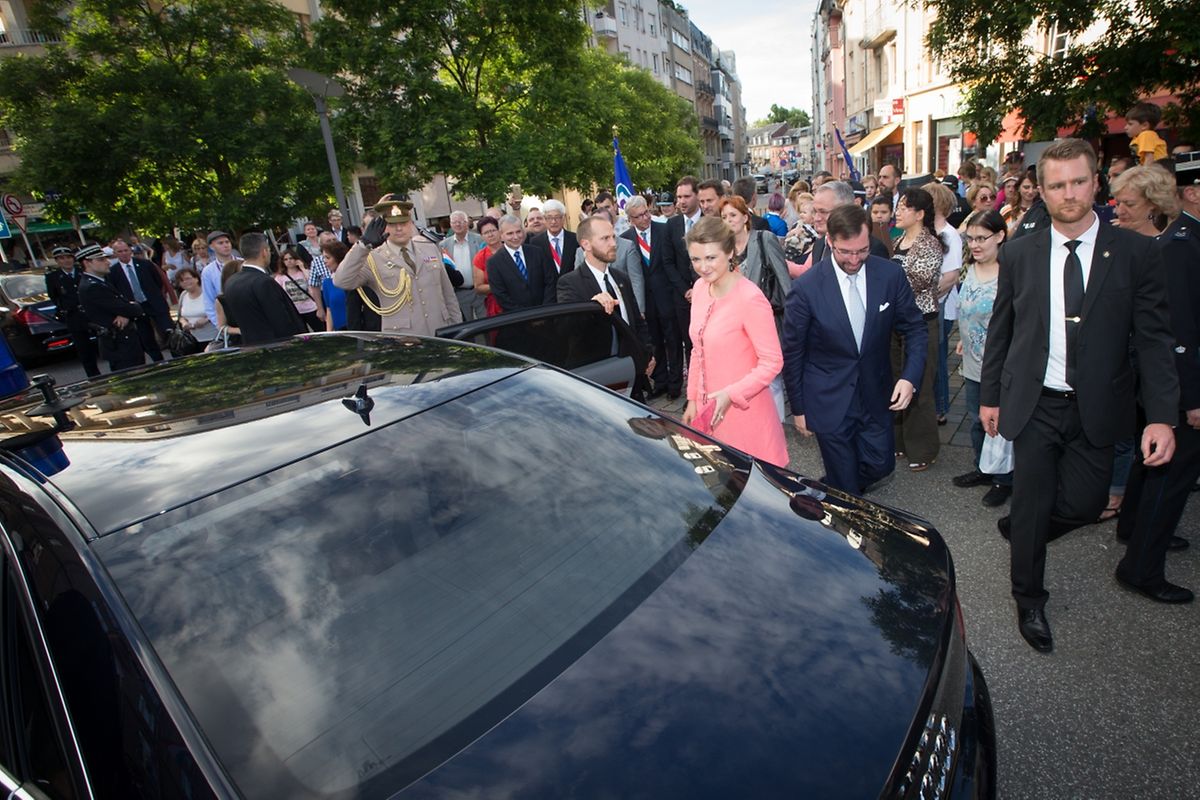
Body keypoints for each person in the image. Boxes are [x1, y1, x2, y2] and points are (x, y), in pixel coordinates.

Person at [980, 138, 1179, 652]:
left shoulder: (1136, 253)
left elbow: (1154, 339)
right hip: (1034, 401)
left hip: (1099, 404)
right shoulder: (1021, 252)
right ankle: (1029, 599)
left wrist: (1162, 416)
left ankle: (1025, 530)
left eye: (1078, 181)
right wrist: (990, 397)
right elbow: (1002, 329)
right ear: (1041, 192)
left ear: (1097, 183)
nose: (1069, 193)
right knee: (1032, 499)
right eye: (1057, 185)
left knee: (1088, 503)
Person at [782, 204, 927, 494]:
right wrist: (798, 409)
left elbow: (915, 329)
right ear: (831, 242)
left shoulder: (889, 276)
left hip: (876, 393)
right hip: (828, 398)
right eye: (845, 252)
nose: (854, 259)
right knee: (847, 484)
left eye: (861, 251)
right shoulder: (807, 288)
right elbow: (793, 351)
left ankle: (837, 491)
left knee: (881, 466)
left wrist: (910, 378)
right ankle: (846, 510)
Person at [1113, 151, 1200, 603]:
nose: (1118, 210)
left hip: (1165, 383)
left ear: (1154, 204)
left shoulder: (1175, 247)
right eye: (1117, 202)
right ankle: (1142, 567)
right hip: (1170, 386)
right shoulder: (1172, 249)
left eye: (1127, 203)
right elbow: (1177, 337)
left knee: (1152, 465)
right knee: (1171, 473)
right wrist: (1191, 400)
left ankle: (1133, 528)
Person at [681, 217, 788, 467]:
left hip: (746, 415)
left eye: (710, 258)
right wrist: (693, 399)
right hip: (709, 413)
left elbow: (772, 362)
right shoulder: (699, 289)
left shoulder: (750, 297)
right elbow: (698, 350)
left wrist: (732, 394)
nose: (703, 267)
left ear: (730, 252)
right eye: (696, 259)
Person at [951, 210, 1013, 505]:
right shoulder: (968, 269)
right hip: (973, 360)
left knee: (999, 423)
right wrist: (964, 340)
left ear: (1000, 236)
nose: (974, 245)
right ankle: (982, 468)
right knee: (976, 419)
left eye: (981, 238)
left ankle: (1004, 478)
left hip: (1000, 364)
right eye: (970, 238)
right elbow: (967, 309)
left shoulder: (1010, 274)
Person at [557, 215, 655, 400]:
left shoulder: (620, 278)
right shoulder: (570, 283)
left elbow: (636, 321)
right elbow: (567, 329)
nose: (613, 243)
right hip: (598, 376)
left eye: (613, 237)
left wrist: (647, 354)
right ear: (586, 244)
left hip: (631, 372)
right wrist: (591, 306)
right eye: (605, 239)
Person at [334, 195, 463, 334]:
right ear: (382, 227)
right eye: (392, 224)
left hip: (440, 332)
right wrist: (363, 245)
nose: (399, 228)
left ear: (411, 223)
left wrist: (457, 329)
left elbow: (448, 294)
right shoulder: (373, 258)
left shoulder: (429, 248)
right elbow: (342, 281)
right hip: (403, 339)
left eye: (403, 222)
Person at [890, 188, 946, 471]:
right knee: (897, 382)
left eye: (904, 207)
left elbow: (917, 283)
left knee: (920, 386)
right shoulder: (899, 240)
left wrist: (887, 288)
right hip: (896, 324)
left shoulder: (930, 245)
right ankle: (900, 443)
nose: (897, 211)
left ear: (920, 214)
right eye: (898, 206)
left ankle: (924, 450)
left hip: (922, 323)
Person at [620, 196, 678, 398]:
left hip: (667, 296)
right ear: (630, 219)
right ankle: (660, 381)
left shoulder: (664, 230)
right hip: (644, 301)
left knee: (672, 340)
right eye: (639, 216)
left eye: (646, 212)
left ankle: (675, 383)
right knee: (654, 342)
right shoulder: (626, 240)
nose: (645, 218)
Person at [923, 182, 965, 429]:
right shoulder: (928, 232)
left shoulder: (949, 234)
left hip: (940, 309)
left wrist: (925, 297)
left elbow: (951, 276)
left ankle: (940, 408)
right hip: (931, 306)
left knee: (937, 359)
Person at [220, 233, 307, 345]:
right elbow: (281, 321)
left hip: (250, 345)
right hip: (275, 346)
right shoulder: (264, 282)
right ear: (264, 252)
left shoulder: (231, 281)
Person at [719, 196, 790, 325]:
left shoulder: (764, 239)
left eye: (733, 215)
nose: (728, 220)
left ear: (745, 218)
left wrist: (792, 319)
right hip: (736, 320)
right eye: (724, 217)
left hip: (766, 317)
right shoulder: (723, 250)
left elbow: (784, 280)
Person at [75, 243, 147, 371]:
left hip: (125, 341)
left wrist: (126, 311)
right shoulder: (92, 287)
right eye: (101, 260)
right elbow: (132, 308)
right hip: (119, 343)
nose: (107, 262)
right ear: (87, 263)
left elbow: (124, 306)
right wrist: (130, 309)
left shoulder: (101, 281)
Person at [662, 176, 704, 363]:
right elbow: (668, 262)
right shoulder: (672, 225)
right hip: (683, 297)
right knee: (690, 344)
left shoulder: (710, 221)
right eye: (679, 197)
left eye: (686, 196)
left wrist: (699, 287)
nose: (681, 201)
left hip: (708, 292)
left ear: (697, 196)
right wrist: (685, 290)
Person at [108, 238, 171, 362]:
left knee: (168, 331)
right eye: (120, 251)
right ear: (115, 253)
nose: (124, 253)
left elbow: (158, 282)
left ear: (130, 250)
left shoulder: (145, 264)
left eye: (126, 250)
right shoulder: (113, 272)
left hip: (154, 303)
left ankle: (177, 357)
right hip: (136, 308)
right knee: (146, 337)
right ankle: (158, 361)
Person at [45, 245, 100, 377]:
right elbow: (55, 297)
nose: (66, 261)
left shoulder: (83, 272)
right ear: (57, 261)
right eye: (62, 258)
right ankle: (94, 376)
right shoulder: (53, 277)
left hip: (91, 313)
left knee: (103, 344)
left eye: (68, 257)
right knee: (84, 350)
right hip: (74, 316)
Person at [484, 213, 556, 313]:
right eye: (510, 233)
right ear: (501, 236)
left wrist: (544, 310)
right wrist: (526, 316)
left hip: (545, 314)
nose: (516, 237)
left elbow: (550, 281)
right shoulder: (494, 263)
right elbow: (501, 295)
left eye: (518, 232)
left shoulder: (537, 252)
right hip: (517, 320)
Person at [440, 210, 488, 321]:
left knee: (486, 324)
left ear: (467, 223)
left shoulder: (479, 240)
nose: (458, 224)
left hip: (479, 291)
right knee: (466, 327)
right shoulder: (444, 245)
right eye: (454, 222)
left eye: (461, 221)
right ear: (451, 225)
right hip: (459, 293)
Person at [277, 246, 323, 332]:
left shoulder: (303, 272)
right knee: (303, 335)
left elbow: (313, 283)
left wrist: (302, 267)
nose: (289, 261)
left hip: (310, 307)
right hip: (295, 311)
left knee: (320, 331)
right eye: (286, 259)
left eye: (291, 258)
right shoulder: (280, 277)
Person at [528, 199, 578, 277]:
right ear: (544, 219)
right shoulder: (536, 242)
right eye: (549, 218)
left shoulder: (575, 239)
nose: (553, 221)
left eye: (557, 217)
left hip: (572, 287)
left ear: (563, 218)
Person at [200, 231, 239, 328]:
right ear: (211, 247)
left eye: (227, 242)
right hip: (226, 317)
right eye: (220, 243)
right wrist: (219, 325)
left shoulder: (242, 263)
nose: (225, 245)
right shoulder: (208, 271)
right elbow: (209, 300)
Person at [175, 267, 218, 346]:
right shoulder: (183, 295)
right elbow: (180, 316)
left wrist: (206, 320)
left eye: (188, 278)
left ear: (196, 279)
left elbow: (219, 310)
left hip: (214, 337)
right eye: (181, 281)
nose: (185, 282)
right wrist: (184, 323)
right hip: (192, 340)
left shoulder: (208, 292)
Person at [471, 216, 503, 317]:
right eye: (486, 233)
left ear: (499, 231)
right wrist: (500, 287)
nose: (490, 235)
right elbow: (478, 287)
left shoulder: (510, 249)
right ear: (481, 236)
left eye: (493, 230)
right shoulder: (480, 257)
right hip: (495, 305)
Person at [320, 241, 350, 331]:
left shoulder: (354, 280)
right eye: (324, 258)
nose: (324, 261)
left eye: (328, 257)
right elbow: (329, 310)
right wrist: (329, 333)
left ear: (338, 258)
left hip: (359, 328)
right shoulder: (327, 283)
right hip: (340, 331)